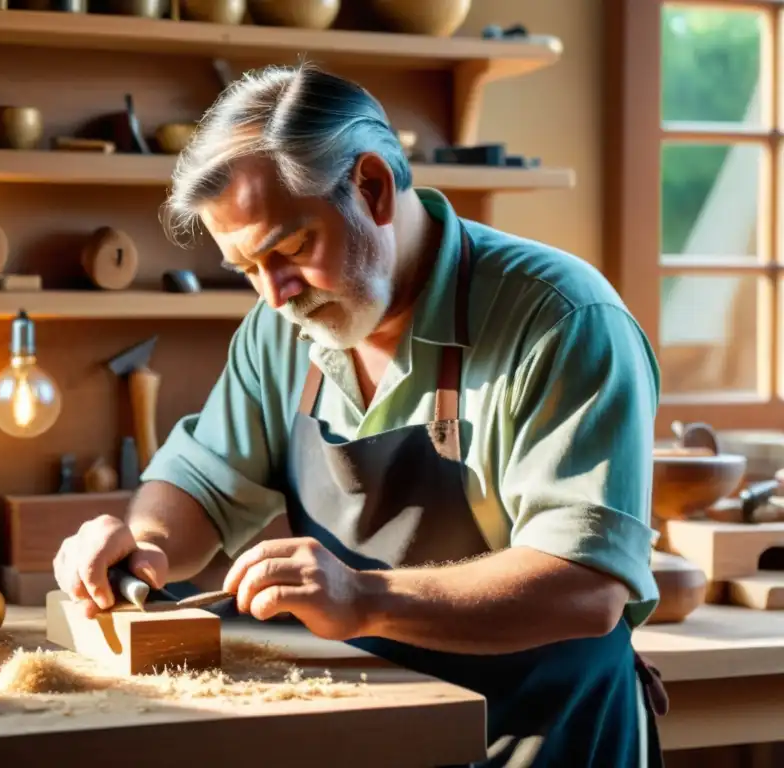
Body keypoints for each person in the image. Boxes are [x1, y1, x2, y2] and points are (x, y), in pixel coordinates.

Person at [53, 62, 665, 767]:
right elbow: (203, 481)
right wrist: (145, 543)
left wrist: (364, 596)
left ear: (371, 188)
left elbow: (585, 588)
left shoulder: (561, 319)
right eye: (247, 270)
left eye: (290, 249)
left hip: (548, 735)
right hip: (384, 728)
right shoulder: (280, 328)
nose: (275, 296)